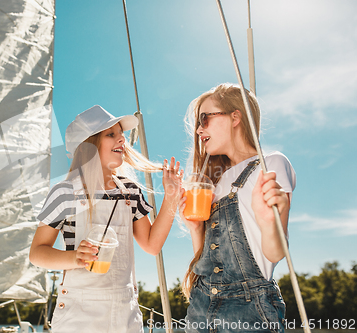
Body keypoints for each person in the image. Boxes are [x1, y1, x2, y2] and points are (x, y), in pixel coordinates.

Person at [30, 105, 183, 333]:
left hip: (124, 314)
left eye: (120, 133)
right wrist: (75, 257)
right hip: (77, 316)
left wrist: (171, 199)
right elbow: (37, 253)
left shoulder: (130, 192)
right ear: (88, 146)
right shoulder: (64, 193)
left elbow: (152, 245)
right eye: (110, 134)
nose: (121, 139)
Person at [179, 83, 296, 333]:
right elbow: (207, 262)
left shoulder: (270, 164)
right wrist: (195, 228)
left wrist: (268, 223)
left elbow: (275, 254)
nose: (199, 129)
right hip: (200, 306)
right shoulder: (215, 182)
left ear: (235, 117)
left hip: (248, 309)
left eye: (204, 118)